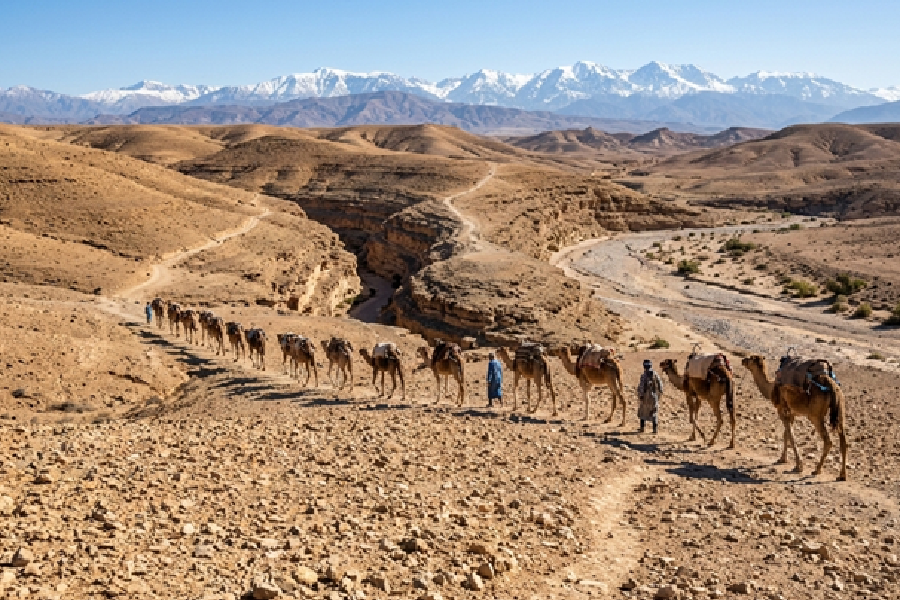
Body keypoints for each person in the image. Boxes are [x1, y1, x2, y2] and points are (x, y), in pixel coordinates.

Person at [637, 359, 663, 433]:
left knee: (642, 411)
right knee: (654, 411)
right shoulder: (655, 374)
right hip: (654, 396)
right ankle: (655, 429)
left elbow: (641, 386)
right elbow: (660, 385)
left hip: (645, 396)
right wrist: (659, 394)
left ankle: (642, 428)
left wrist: (640, 395)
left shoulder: (644, 375)